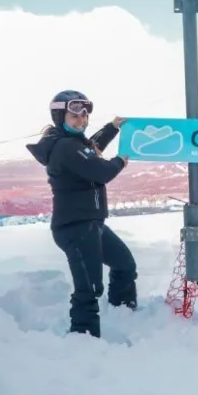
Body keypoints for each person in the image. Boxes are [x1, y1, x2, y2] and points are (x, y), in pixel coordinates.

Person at [25, 90, 137, 339]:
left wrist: (112, 127)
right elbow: (100, 171)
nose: (81, 120)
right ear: (59, 115)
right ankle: (83, 338)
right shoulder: (65, 146)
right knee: (90, 288)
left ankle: (124, 314)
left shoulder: (72, 142)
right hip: (75, 227)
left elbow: (91, 147)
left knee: (124, 265)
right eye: (74, 115)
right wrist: (120, 161)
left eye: (84, 115)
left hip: (91, 224)